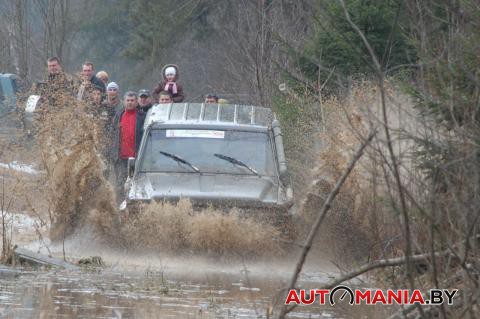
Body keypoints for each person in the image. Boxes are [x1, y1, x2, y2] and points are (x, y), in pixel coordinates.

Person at [112, 91, 145, 197]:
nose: (130, 103)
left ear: (136, 102)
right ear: (124, 101)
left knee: (135, 185)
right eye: (128, 100)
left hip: (136, 158)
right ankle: (119, 207)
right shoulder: (119, 114)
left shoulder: (142, 116)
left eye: (132, 101)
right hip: (121, 157)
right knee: (120, 184)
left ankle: (133, 207)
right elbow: (112, 133)